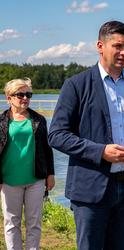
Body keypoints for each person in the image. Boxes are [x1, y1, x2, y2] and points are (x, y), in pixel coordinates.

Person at [48, 20, 124, 250]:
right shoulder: (76, 85)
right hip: (90, 191)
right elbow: (57, 134)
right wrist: (101, 152)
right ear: (100, 45)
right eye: (118, 46)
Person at [0, 77, 55, 250]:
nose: (25, 98)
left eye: (28, 94)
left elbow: (47, 149)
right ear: (9, 98)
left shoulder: (39, 120)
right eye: (20, 94)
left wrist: (50, 174)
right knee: (11, 223)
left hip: (36, 180)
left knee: (34, 224)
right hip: (9, 181)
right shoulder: (1, 121)